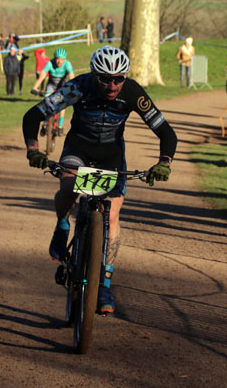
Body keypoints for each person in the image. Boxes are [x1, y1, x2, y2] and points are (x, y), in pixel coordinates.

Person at [22, 45, 177, 314]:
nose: (113, 85)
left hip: (111, 156)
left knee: (113, 214)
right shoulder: (78, 87)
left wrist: (164, 163)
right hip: (78, 150)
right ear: (95, 76)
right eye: (106, 78)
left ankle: (103, 284)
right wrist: (33, 149)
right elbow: (34, 115)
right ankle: (61, 226)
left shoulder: (132, 92)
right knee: (69, 188)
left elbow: (166, 132)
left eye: (119, 78)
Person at [31, 48, 74, 134]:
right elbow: (42, 76)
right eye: (57, 59)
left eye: (62, 59)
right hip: (51, 85)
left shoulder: (67, 64)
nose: (59, 62)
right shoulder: (50, 63)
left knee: (62, 103)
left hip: (62, 85)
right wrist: (35, 87)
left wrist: (73, 89)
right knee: (46, 103)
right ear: (54, 58)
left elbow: (72, 78)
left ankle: (60, 125)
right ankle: (44, 124)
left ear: (65, 59)